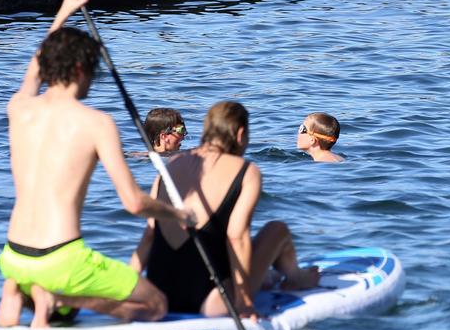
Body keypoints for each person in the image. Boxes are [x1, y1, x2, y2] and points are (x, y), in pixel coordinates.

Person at [0, 0, 193, 329]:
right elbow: (133, 203)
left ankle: (16, 299)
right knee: (156, 305)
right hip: (61, 259)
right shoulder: (97, 123)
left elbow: (35, 68)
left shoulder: (19, 107)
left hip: (12, 255)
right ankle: (61, 298)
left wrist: (63, 12)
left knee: (26, 281)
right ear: (79, 70)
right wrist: (179, 214)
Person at [132, 101, 321, 316]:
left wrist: (127, 289)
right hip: (211, 301)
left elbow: (149, 236)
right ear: (240, 134)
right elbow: (236, 237)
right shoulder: (246, 171)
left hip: (160, 294)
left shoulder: (169, 168)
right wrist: (244, 303)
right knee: (277, 230)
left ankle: (271, 276)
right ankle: (297, 278)